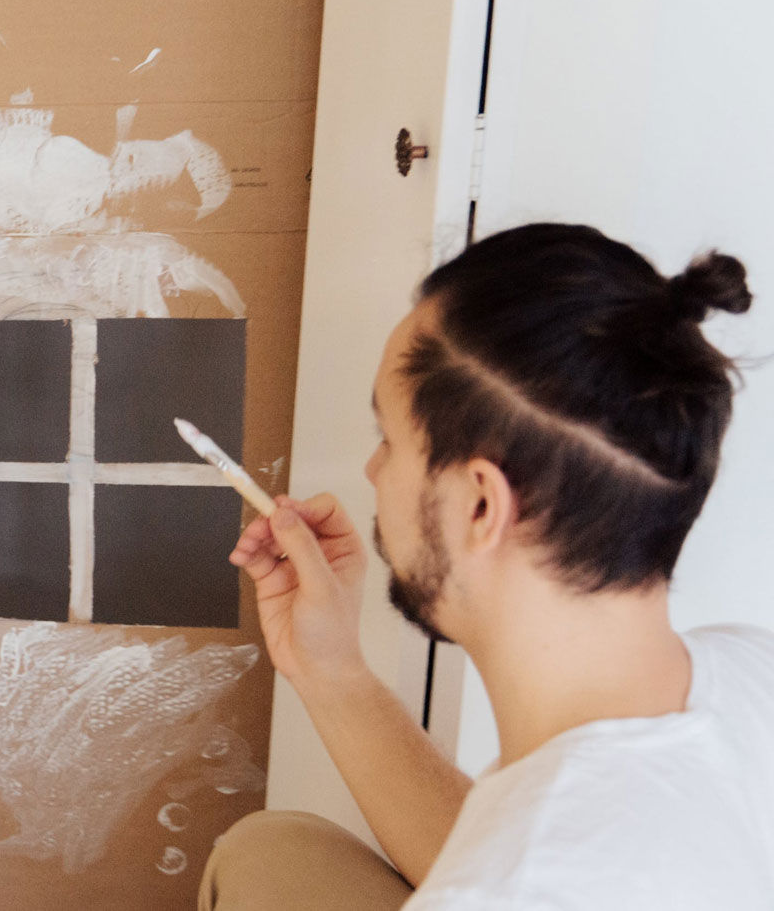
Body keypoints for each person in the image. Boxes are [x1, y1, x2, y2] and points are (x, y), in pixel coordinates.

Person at [200, 223, 774, 910]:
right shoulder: (751, 670)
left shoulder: (506, 890)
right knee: (277, 858)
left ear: (480, 505)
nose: (371, 470)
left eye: (390, 438)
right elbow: (525, 840)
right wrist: (331, 670)